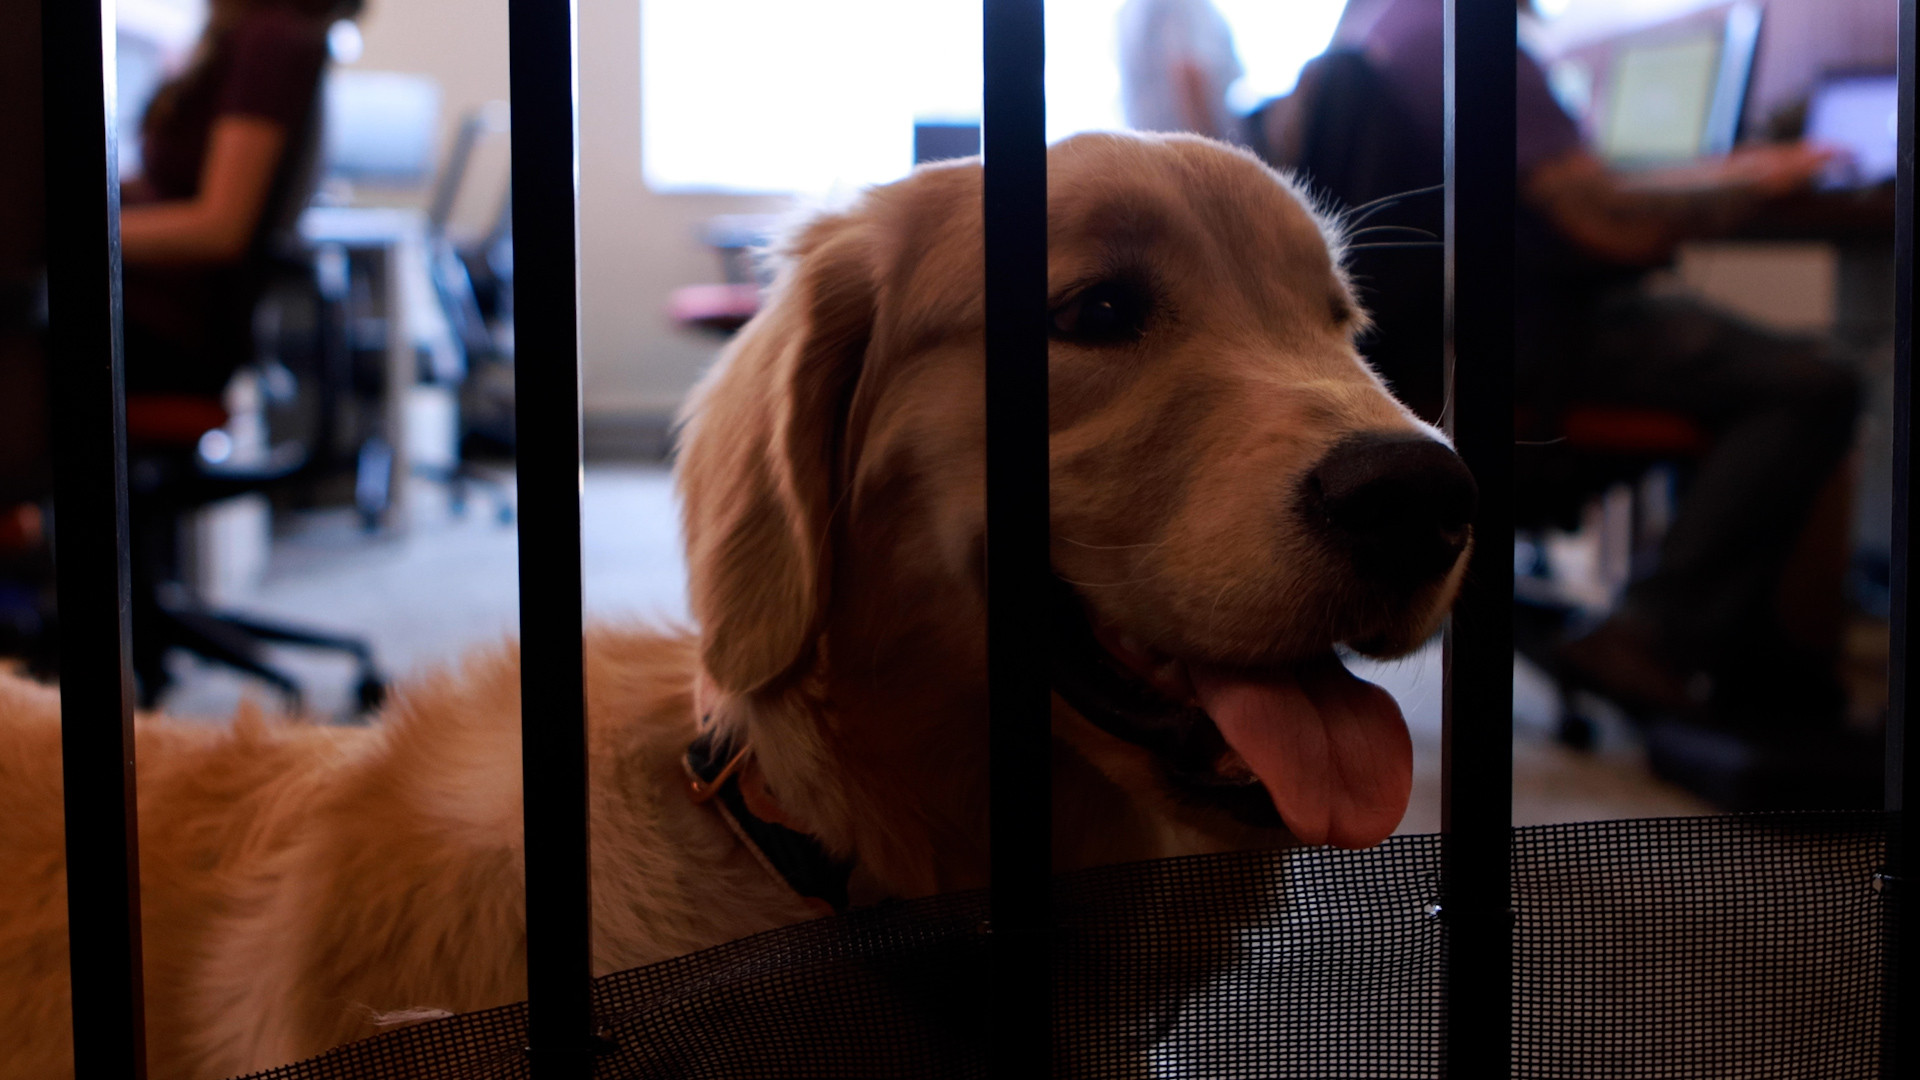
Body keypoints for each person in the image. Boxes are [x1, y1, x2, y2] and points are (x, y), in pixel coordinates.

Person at [1361, 0, 1861, 724]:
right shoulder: (1459, 31)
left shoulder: (1387, 26)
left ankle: (1713, 643)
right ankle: (1655, 632)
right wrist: (1758, 173)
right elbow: (1601, 217)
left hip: (1459, 344)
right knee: (1812, 384)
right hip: (1517, 348)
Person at [119, 0, 360, 399]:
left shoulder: (272, 40)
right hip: (156, 304)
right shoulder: (245, 35)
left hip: (174, 325)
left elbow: (220, 228)